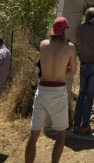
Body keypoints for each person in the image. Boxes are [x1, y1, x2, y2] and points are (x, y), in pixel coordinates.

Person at [25, 17, 77, 163]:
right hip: (58, 90)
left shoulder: (43, 44)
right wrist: (62, 70)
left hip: (42, 89)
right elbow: (73, 71)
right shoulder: (70, 47)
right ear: (65, 30)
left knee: (34, 134)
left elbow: (44, 66)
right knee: (61, 134)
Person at [73, 7, 94, 134]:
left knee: (82, 94)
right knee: (90, 95)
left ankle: (76, 125)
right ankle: (85, 125)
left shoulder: (80, 28)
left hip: (83, 64)